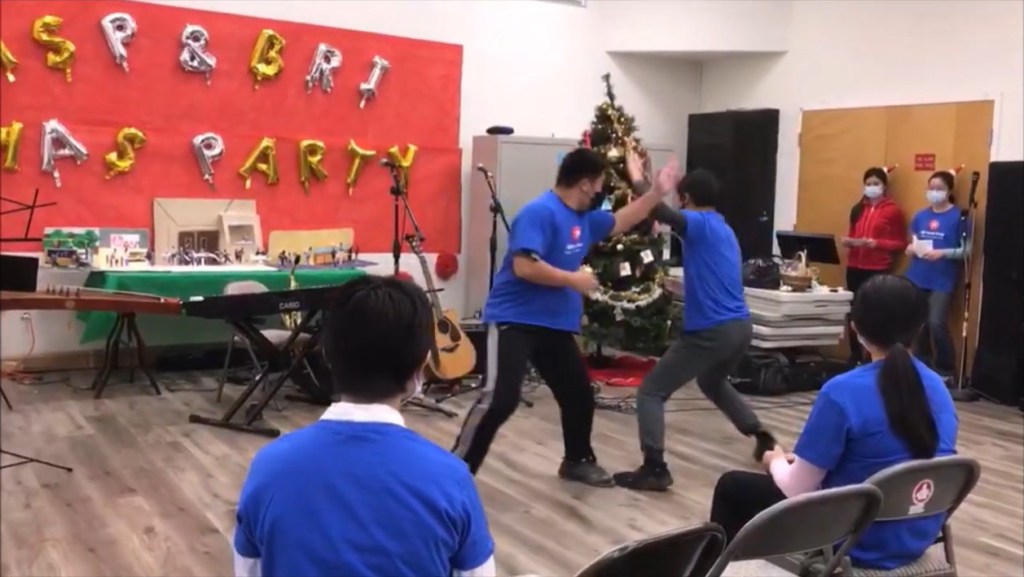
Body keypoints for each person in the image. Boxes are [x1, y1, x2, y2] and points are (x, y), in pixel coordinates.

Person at [234, 275, 495, 577]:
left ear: (327, 355)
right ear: (421, 366)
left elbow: (248, 570)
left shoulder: (268, 468)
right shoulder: (452, 478)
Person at [452, 147, 673, 486]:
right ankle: (456, 470)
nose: (600, 190)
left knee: (578, 394)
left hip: (554, 325)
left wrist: (656, 192)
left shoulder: (583, 218)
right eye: (598, 183)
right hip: (515, 320)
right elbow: (525, 267)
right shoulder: (539, 213)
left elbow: (622, 219)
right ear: (585, 184)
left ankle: (577, 460)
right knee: (501, 399)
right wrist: (573, 280)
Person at [708, 275, 958, 570]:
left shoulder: (842, 392)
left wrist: (775, 461)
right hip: (915, 537)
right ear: (920, 328)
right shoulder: (938, 387)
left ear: (855, 327)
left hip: (851, 541)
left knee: (733, 487)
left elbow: (796, 489)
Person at [613, 159, 776, 493]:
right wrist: (683, 289)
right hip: (739, 328)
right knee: (711, 381)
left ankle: (655, 468)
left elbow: (660, 211)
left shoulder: (698, 223)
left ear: (685, 198)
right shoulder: (723, 228)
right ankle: (760, 435)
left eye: (679, 198)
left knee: (651, 392)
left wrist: (639, 179)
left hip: (711, 331)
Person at [904, 169, 966, 378]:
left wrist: (943, 253)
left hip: (942, 278)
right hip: (918, 275)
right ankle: (924, 366)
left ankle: (946, 368)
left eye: (939, 188)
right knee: (918, 324)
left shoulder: (958, 217)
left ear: (949, 191)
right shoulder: (921, 216)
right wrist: (911, 249)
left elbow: (966, 250)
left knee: (936, 322)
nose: (934, 192)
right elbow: (913, 242)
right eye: (931, 188)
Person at [844, 167, 907, 366]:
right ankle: (855, 354)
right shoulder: (858, 209)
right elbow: (852, 234)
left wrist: (877, 244)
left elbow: (900, 243)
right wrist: (850, 242)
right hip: (855, 265)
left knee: (873, 312)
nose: (872, 187)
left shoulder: (893, 210)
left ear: (884, 186)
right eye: (868, 184)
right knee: (853, 312)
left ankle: (873, 356)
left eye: (876, 184)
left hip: (877, 267)